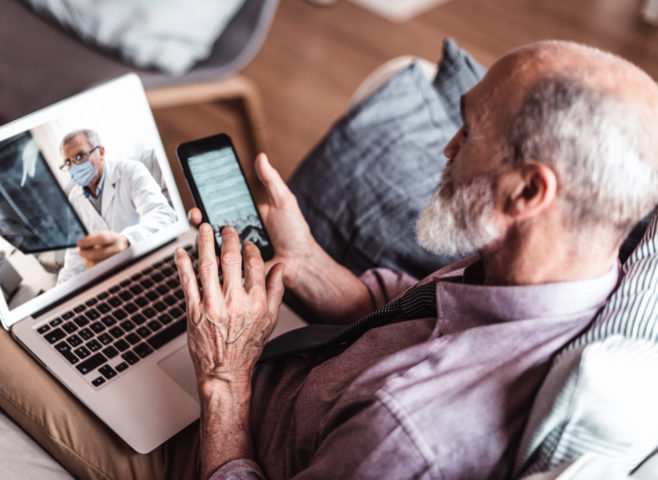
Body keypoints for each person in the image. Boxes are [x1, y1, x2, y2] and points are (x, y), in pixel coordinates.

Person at [174, 39, 658, 479]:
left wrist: (223, 378)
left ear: (528, 191)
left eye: (469, 131)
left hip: (225, 442)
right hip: (272, 370)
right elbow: (419, 315)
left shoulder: (406, 437)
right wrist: (307, 263)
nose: (448, 146)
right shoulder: (558, 276)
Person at [57, 129, 177, 284]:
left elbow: (164, 216)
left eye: (80, 156)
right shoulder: (74, 198)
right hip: (111, 278)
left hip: (147, 262)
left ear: (101, 152)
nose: (74, 167)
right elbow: (74, 254)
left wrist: (127, 241)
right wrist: (58, 291)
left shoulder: (130, 170)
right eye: (68, 162)